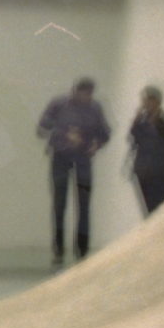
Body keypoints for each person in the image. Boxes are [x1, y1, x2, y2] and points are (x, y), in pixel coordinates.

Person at [37, 78, 110, 266]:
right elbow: (42, 127)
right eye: (83, 93)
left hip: (83, 158)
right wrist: (64, 133)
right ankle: (59, 249)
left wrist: (96, 144)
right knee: (59, 204)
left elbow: (105, 133)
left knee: (84, 205)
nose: (86, 98)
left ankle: (82, 250)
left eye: (89, 94)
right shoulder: (59, 104)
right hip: (61, 158)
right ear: (74, 92)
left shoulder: (94, 108)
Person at [128, 86, 164, 215]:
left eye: (150, 100)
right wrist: (138, 117)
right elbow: (133, 135)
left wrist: (154, 119)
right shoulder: (141, 122)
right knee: (149, 211)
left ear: (157, 101)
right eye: (145, 100)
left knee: (162, 209)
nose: (147, 103)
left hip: (161, 173)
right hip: (143, 172)